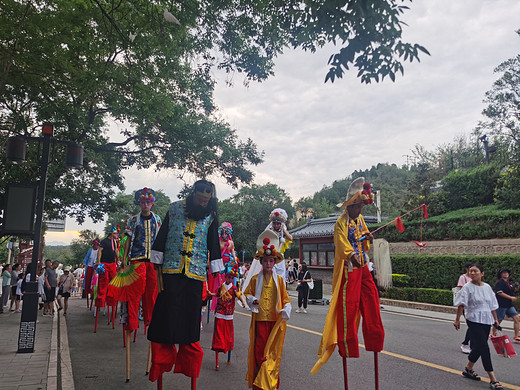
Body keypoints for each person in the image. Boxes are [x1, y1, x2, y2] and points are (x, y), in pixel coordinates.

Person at [147, 179, 222, 389]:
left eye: (206, 201)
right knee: (167, 314)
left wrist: (218, 277)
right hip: (171, 269)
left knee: (190, 320)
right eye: (200, 199)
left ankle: (187, 358)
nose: (202, 204)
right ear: (193, 195)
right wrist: (156, 261)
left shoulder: (210, 216)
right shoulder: (175, 208)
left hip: (196, 273)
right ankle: (163, 355)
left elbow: (214, 245)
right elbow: (162, 236)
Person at [311, 177, 384, 381]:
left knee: (372, 301)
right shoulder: (339, 224)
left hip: (363, 268)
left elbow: (365, 235)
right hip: (349, 270)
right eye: (358, 205)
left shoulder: (359, 220)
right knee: (348, 308)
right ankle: (347, 346)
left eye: (361, 205)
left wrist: (368, 238)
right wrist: (353, 256)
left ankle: (375, 340)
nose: (360, 209)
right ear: (350, 206)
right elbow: (342, 245)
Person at [244, 230, 291, 390]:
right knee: (260, 353)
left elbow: (286, 299)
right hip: (260, 321)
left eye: (271, 261)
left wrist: (286, 308)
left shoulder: (279, 280)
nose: (268, 264)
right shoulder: (255, 279)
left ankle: (271, 384)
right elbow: (247, 294)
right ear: (261, 262)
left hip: (274, 322)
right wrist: (252, 300)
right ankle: (259, 385)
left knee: (273, 354)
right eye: (265, 261)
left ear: (274, 262)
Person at [453, 264, 503, 389]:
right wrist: (457, 319)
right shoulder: (467, 287)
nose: (473, 273)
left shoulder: (487, 287)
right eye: (471, 271)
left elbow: (492, 305)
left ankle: (468, 368)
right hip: (473, 319)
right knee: (484, 347)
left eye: (475, 271)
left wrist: (496, 320)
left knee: (479, 346)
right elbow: (461, 304)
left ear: (482, 273)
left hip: (486, 319)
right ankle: (493, 379)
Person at [120, 187, 162, 333]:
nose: (146, 205)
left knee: (152, 293)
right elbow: (128, 239)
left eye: (148, 202)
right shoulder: (133, 220)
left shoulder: (157, 220)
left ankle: (151, 321)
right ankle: (131, 322)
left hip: (153, 261)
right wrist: (124, 259)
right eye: (143, 202)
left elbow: (160, 240)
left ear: (152, 204)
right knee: (134, 293)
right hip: (136, 260)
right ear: (139, 203)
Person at [208, 266, 246, 370]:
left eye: (231, 278)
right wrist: (210, 293)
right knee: (219, 334)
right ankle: (218, 356)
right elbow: (216, 294)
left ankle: (227, 350)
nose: (229, 279)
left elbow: (238, 295)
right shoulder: (221, 287)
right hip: (220, 313)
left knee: (228, 335)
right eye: (228, 277)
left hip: (229, 315)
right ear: (225, 277)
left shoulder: (234, 288)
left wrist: (242, 301)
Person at [265, 208, 292, 282]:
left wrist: (284, 231)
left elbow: (290, 238)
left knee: (280, 274)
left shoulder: (283, 231)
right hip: (271, 255)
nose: (276, 225)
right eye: (274, 223)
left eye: (278, 223)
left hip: (280, 255)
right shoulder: (269, 230)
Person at [494, 267, 520, 343]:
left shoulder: (508, 283)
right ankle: (492, 333)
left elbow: (511, 291)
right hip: (501, 304)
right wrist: (510, 297)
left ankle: (516, 336)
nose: (506, 274)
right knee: (499, 320)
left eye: (507, 273)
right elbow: (499, 292)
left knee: (516, 318)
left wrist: (516, 288)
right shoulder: (500, 282)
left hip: (509, 305)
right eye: (504, 273)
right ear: (501, 274)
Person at [96, 228, 119, 311]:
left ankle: (112, 299)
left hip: (113, 263)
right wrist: (99, 261)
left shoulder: (115, 242)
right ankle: (101, 300)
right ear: (111, 234)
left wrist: (119, 260)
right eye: (115, 233)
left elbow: (116, 251)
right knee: (104, 281)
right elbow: (99, 251)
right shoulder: (104, 241)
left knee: (113, 281)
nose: (117, 235)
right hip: (105, 263)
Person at [455, 262, 474, 353]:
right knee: (472, 326)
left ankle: (472, 344)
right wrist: (457, 319)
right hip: (466, 306)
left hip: (475, 306)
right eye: (470, 268)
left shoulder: (476, 278)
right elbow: (460, 291)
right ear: (467, 269)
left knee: (475, 326)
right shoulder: (463, 278)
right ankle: (465, 343)